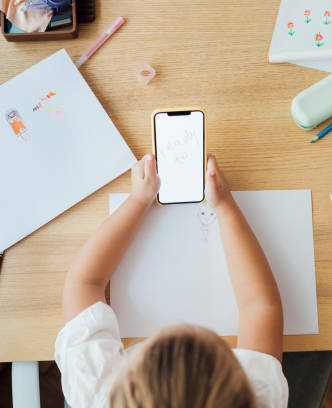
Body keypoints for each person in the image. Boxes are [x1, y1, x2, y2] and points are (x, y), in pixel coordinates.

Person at [55, 153, 288, 408]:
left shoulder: (97, 392)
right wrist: (225, 206)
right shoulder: (257, 396)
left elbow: (84, 282)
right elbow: (261, 306)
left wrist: (137, 200)